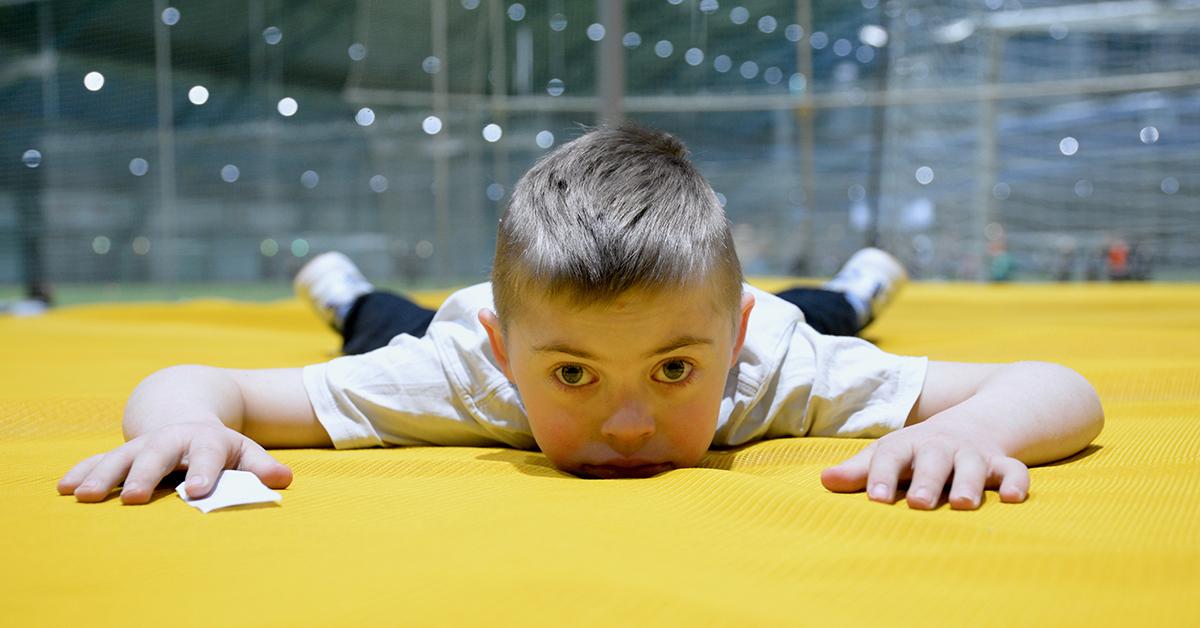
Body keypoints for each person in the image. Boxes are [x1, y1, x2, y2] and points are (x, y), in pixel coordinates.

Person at [57, 125, 1103, 510]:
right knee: (381, 319)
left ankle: (866, 281)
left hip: (776, 314)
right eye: (572, 377)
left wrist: (967, 428)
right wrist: (176, 426)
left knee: (829, 312)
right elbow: (208, 385)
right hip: (445, 323)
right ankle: (337, 286)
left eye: (675, 373)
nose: (629, 422)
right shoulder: (453, 372)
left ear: (731, 347)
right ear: (505, 360)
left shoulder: (775, 357)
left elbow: (1062, 388)